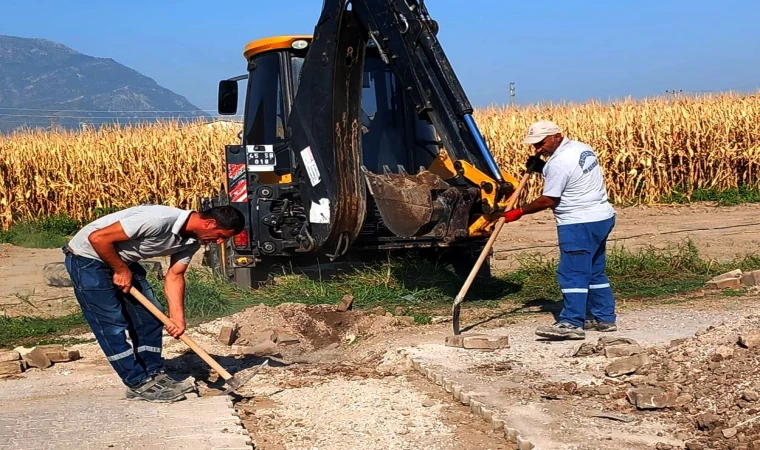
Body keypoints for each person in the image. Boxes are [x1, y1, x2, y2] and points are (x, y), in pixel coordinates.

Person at [62, 204, 244, 402]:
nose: (218, 242)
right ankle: (137, 382)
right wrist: (121, 270)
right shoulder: (158, 220)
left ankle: (153, 374)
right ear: (209, 223)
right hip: (88, 259)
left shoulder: (191, 242)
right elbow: (98, 238)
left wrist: (177, 318)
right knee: (111, 324)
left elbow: (175, 275)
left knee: (149, 318)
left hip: (123, 260)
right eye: (220, 236)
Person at [504, 121, 617, 340]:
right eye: (535, 144)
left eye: (541, 143)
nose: (537, 149)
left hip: (578, 223)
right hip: (602, 217)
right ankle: (604, 318)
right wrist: (542, 168)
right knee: (594, 271)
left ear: (557, 136)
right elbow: (573, 176)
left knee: (572, 273)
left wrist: (518, 212)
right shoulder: (582, 148)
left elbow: (548, 199)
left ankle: (571, 323)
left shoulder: (559, 163)